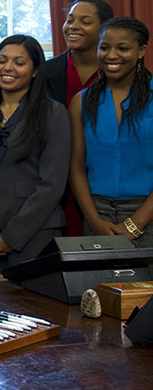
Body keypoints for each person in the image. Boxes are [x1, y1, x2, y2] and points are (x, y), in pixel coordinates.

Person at [0, 35, 70, 273]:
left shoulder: (52, 113)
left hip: (35, 231)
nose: (8, 68)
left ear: (35, 71)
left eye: (19, 62)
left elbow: (52, 184)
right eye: (2, 60)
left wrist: (12, 237)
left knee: (32, 306)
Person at [69, 17, 153, 248]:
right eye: (104, 47)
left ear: (141, 51)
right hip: (97, 214)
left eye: (123, 48)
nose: (111, 55)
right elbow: (76, 169)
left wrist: (136, 223)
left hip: (148, 215)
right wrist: (95, 222)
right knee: (99, 285)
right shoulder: (81, 102)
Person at [45, 0, 114, 236]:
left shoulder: (120, 71)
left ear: (104, 27)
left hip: (106, 181)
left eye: (85, 21)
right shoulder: (45, 72)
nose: (73, 26)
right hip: (55, 183)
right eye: (69, 20)